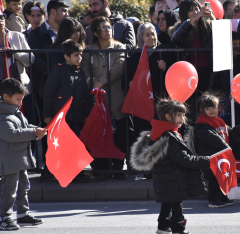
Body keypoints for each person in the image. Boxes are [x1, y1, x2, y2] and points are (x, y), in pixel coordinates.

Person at [130, 99, 211, 234]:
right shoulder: (170, 137)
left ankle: (163, 226)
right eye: (179, 115)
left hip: (165, 177)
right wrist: (208, 160)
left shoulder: (159, 132)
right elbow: (185, 159)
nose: (182, 118)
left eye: (183, 115)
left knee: (167, 201)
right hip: (173, 177)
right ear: (168, 117)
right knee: (176, 202)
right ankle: (178, 228)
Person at [81, 16, 128, 180]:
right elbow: (86, 73)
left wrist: (101, 81)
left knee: (119, 135)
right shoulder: (88, 50)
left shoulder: (119, 47)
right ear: (95, 32)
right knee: (99, 135)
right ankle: (101, 169)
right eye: (104, 28)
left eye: (109, 27)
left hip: (116, 100)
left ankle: (118, 168)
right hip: (96, 100)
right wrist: (95, 85)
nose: (108, 30)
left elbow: (119, 68)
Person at [0, 78, 47, 230]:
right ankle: (4, 217)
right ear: (6, 96)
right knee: (9, 190)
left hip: (19, 159)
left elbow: (25, 127)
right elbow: (12, 134)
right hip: (9, 161)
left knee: (23, 187)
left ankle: (22, 214)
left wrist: (38, 129)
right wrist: (34, 132)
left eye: (21, 99)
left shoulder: (15, 113)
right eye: (18, 99)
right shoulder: (3, 117)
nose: (20, 102)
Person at [193, 93, 240, 208]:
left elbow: (228, 133)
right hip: (212, 156)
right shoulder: (202, 124)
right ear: (203, 110)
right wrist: (224, 146)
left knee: (222, 178)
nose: (211, 110)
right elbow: (212, 138)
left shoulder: (219, 121)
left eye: (214, 107)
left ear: (218, 108)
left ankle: (222, 196)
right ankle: (213, 199)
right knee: (214, 179)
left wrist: (237, 130)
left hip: (221, 155)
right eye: (208, 108)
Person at [125, 22, 176, 138]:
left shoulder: (166, 51)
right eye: (147, 35)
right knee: (143, 136)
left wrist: (166, 67)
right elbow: (126, 79)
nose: (152, 37)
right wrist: (131, 83)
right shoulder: (134, 57)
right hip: (142, 105)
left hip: (161, 101)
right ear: (140, 37)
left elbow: (175, 75)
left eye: (153, 34)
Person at [43, 40, 92, 137]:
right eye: (76, 55)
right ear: (66, 57)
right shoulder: (58, 71)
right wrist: (47, 115)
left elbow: (86, 95)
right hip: (61, 116)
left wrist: (86, 115)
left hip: (77, 117)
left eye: (80, 55)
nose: (79, 58)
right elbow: (49, 93)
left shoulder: (80, 72)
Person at [27, 0, 69, 100]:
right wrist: (55, 71)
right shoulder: (35, 34)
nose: (67, 15)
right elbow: (35, 59)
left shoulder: (69, 32)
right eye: (64, 11)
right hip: (44, 86)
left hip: (66, 85)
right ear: (53, 12)